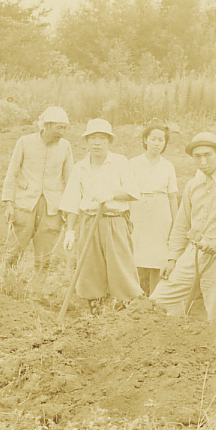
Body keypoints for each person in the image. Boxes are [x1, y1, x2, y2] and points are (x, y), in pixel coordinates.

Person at [150, 132, 216, 319]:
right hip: (192, 254)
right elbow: (181, 225)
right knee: (159, 300)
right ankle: (176, 340)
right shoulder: (192, 186)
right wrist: (172, 259)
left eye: (208, 154)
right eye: (197, 156)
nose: (203, 161)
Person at [60, 119, 143, 310]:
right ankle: (95, 310)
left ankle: (127, 308)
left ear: (109, 141)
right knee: (90, 268)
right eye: (93, 139)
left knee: (120, 267)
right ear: (86, 141)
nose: (97, 143)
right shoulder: (80, 167)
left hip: (115, 221)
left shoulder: (120, 162)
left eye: (102, 139)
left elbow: (133, 192)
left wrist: (112, 194)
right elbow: (73, 202)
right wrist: (70, 231)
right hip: (89, 222)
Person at [1, 106, 75, 295]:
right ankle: (7, 288)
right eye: (59, 128)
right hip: (25, 206)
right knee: (13, 250)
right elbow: (12, 173)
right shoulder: (25, 142)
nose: (62, 132)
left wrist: (69, 208)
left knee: (44, 256)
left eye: (65, 128)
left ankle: (36, 293)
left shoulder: (65, 147)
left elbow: (70, 180)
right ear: (47, 126)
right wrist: (8, 203)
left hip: (52, 208)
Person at [129, 123, 179, 295]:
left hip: (160, 210)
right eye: (153, 139)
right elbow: (127, 192)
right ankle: (133, 295)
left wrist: (175, 221)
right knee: (134, 251)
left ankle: (155, 297)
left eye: (161, 140)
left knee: (159, 255)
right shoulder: (133, 163)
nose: (157, 143)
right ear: (145, 140)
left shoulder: (168, 166)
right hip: (138, 210)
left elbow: (172, 196)